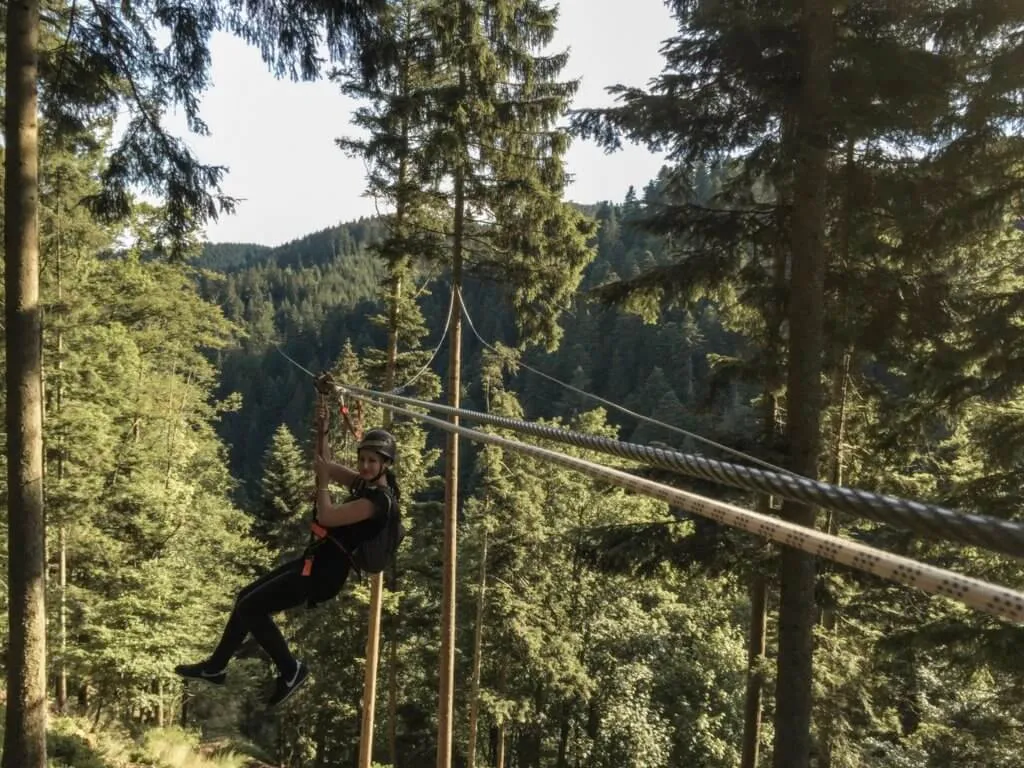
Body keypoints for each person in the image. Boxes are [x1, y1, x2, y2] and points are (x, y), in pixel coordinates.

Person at [174, 428, 401, 707]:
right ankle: (216, 667)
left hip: (324, 576)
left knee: (251, 608)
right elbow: (325, 465)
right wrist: (324, 424)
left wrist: (322, 486)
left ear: (386, 464)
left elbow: (328, 516)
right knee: (245, 597)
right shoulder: (367, 486)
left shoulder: (377, 502)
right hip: (316, 563)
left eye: (372, 461)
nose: (365, 466)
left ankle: (291, 669)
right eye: (362, 459)